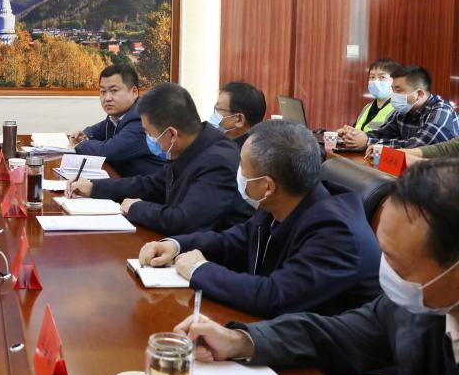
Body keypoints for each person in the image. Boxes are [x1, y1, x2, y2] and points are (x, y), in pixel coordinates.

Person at [175, 159, 459, 375]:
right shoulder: (419, 303)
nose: (385, 270)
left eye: (398, 263)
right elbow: (337, 333)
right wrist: (241, 341)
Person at [138, 120, 381, 317]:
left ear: (267, 186)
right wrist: (176, 245)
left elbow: (274, 297)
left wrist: (200, 270)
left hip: (330, 358)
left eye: (242, 167)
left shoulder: (337, 233)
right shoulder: (283, 200)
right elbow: (236, 240)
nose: (239, 173)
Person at [68, 82, 253, 234]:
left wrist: (137, 208)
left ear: (171, 134)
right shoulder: (190, 145)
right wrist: (94, 187)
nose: (149, 139)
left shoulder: (217, 161)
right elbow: (152, 184)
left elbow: (184, 221)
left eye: (150, 134)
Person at [68, 63, 164, 177]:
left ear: (134, 92)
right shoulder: (117, 116)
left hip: (150, 186)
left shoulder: (141, 119)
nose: (107, 98)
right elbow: (97, 130)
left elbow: (108, 151)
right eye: (103, 92)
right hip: (123, 179)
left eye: (114, 90)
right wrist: (84, 134)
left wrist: (81, 144)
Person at [339, 65, 459, 151]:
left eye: (398, 90)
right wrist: (354, 136)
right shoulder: (403, 110)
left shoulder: (441, 110)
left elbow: (419, 146)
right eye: (393, 90)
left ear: (419, 94)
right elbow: (382, 134)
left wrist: (367, 142)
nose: (393, 95)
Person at [337, 58, 400, 137]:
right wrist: (348, 132)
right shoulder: (367, 107)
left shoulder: (399, 109)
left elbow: (389, 137)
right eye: (372, 77)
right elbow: (358, 130)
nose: (375, 82)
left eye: (382, 77)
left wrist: (361, 137)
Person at [208, 81, 266, 148]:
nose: (214, 115)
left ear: (239, 120)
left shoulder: (230, 152)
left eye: (218, 109)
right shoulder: (260, 145)